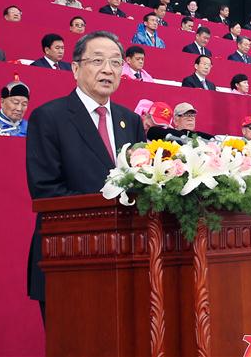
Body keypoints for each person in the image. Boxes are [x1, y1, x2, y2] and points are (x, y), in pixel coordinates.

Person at [26, 31, 146, 314]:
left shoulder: (131, 121)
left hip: (126, 259)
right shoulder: (49, 117)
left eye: (116, 63)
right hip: (69, 255)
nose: (108, 69)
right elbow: (46, 190)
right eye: (98, 61)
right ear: (76, 68)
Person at [146, 102, 214, 141]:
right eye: (186, 115)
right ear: (176, 120)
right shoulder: (167, 135)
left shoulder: (200, 138)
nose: (190, 118)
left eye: (192, 115)